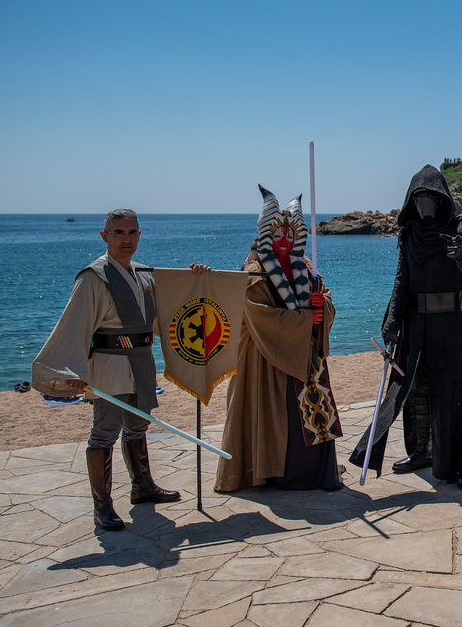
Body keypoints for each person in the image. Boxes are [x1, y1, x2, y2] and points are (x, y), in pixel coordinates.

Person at [32, 209, 206, 531]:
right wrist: (71, 368)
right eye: (118, 233)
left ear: (139, 235)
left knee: (138, 427)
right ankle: (102, 506)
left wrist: (196, 276)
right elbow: (75, 324)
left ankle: (142, 488)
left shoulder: (144, 274)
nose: (126, 239)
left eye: (131, 233)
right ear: (105, 237)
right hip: (110, 366)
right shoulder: (93, 276)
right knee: (105, 431)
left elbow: (173, 304)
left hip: (141, 362)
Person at [350, 165, 462, 488]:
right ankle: (422, 450)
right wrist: (392, 321)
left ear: (440, 200)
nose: (424, 204)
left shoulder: (461, 228)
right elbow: (402, 280)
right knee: (416, 391)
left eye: (429, 198)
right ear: (412, 200)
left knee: (456, 394)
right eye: (418, 198)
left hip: (449, 322)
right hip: (416, 323)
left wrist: (460, 255)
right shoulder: (409, 233)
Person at [215, 186, 343, 492]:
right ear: (266, 237)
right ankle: (274, 473)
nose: (284, 241)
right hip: (265, 360)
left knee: (313, 414)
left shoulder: (308, 269)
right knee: (277, 415)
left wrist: (320, 307)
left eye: (290, 235)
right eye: (278, 235)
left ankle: (317, 474)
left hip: (308, 358)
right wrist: (304, 321)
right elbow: (260, 315)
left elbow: (325, 298)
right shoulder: (254, 273)